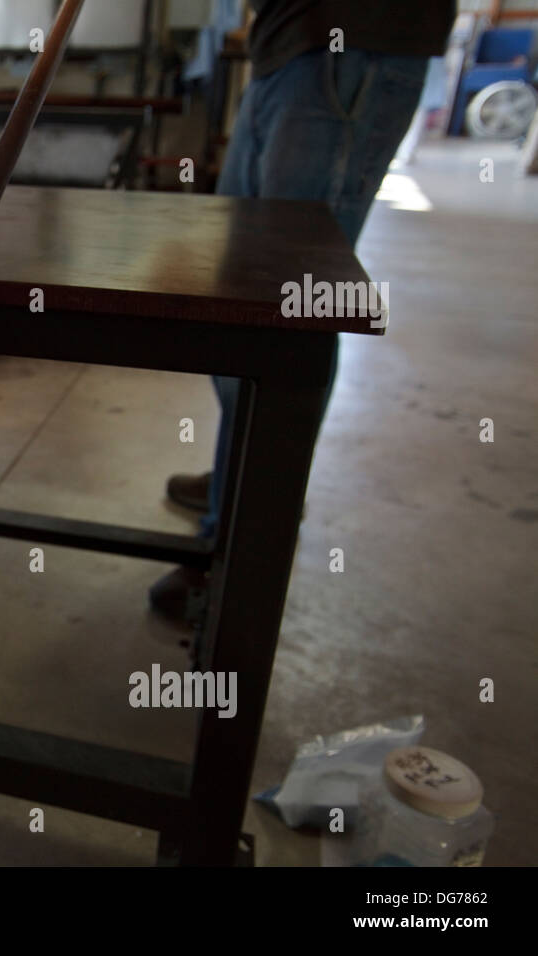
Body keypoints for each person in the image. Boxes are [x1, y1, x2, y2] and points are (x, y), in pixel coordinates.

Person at [149, 0, 456, 622]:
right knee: (240, 294)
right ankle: (240, 475)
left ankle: (242, 548)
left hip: (351, 41)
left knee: (292, 304)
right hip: (288, 44)